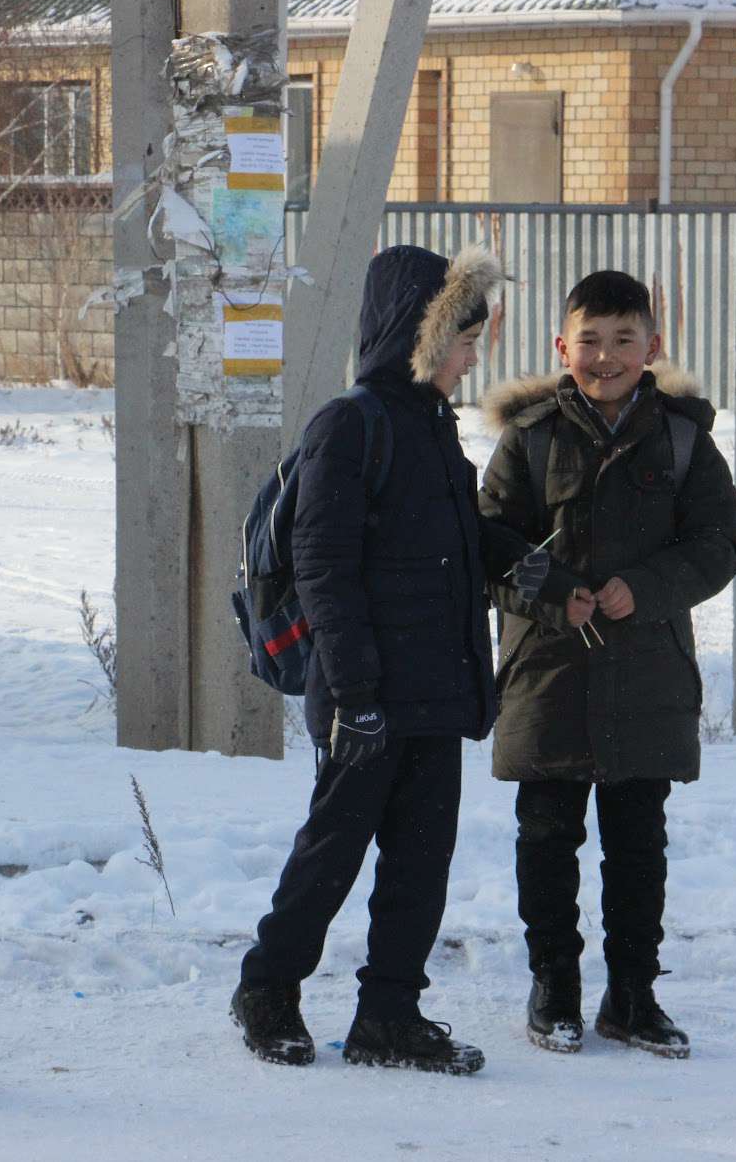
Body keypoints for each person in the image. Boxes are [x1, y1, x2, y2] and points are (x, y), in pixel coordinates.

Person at [230, 245, 564, 1076]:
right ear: (419, 335)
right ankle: (267, 990)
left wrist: (507, 554)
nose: (473, 353)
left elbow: (443, 539)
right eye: (462, 335)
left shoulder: (428, 423)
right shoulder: (351, 424)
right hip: (366, 694)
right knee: (331, 853)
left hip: (435, 687)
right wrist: (353, 692)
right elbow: (323, 570)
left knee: (419, 864)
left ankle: (388, 1013)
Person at [478, 270, 736, 1060]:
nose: (605, 356)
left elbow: (719, 544)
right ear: (562, 348)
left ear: (652, 348)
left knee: (637, 842)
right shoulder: (526, 438)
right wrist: (555, 591)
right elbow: (486, 545)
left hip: (646, 671)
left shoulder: (684, 439)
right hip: (548, 670)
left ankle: (633, 994)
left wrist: (647, 588)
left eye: (623, 339)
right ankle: (552, 983)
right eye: (588, 340)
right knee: (546, 835)